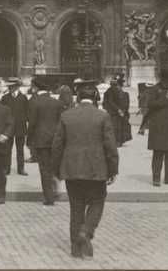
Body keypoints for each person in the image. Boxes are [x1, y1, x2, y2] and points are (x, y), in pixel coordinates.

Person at [52, 79, 118, 259]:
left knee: (76, 208)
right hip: (96, 169)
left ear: (78, 97)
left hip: (72, 170)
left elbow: (57, 145)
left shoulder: (66, 115)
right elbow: (110, 146)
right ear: (96, 97)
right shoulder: (103, 116)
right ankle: (87, 231)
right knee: (97, 201)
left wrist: (57, 169)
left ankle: (75, 249)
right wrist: (113, 170)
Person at [28, 75, 65, 205]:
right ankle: (54, 186)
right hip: (55, 140)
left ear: (36, 87)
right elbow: (62, 122)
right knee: (53, 165)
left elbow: (31, 123)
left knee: (44, 169)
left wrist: (29, 140)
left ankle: (49, 197)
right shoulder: (57, 103)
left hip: (41, 140)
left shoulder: (34, 102)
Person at [1, 77, 30, 176]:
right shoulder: (5, 98)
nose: (10, 88)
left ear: (17, 87)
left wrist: (23, 121)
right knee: (7, 150)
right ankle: (6, 168)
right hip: (8, 128)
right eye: (9, 87)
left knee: (20, 150)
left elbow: (27, 112)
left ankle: (21, 169)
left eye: (12, 86)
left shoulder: (23, 98)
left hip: (20, 128)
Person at [102, 74, 131, 147]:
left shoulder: (123, 92)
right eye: (117, 84)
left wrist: (123, 110)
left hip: (120, 112)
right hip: (114, 112)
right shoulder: (110, 91)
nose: (119, 86)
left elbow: (125, 102)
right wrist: (118, 110)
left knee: (121, 125)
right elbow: (110, 102)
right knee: (115, 126)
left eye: (119, 84)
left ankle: (120, 140)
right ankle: (116, 141)